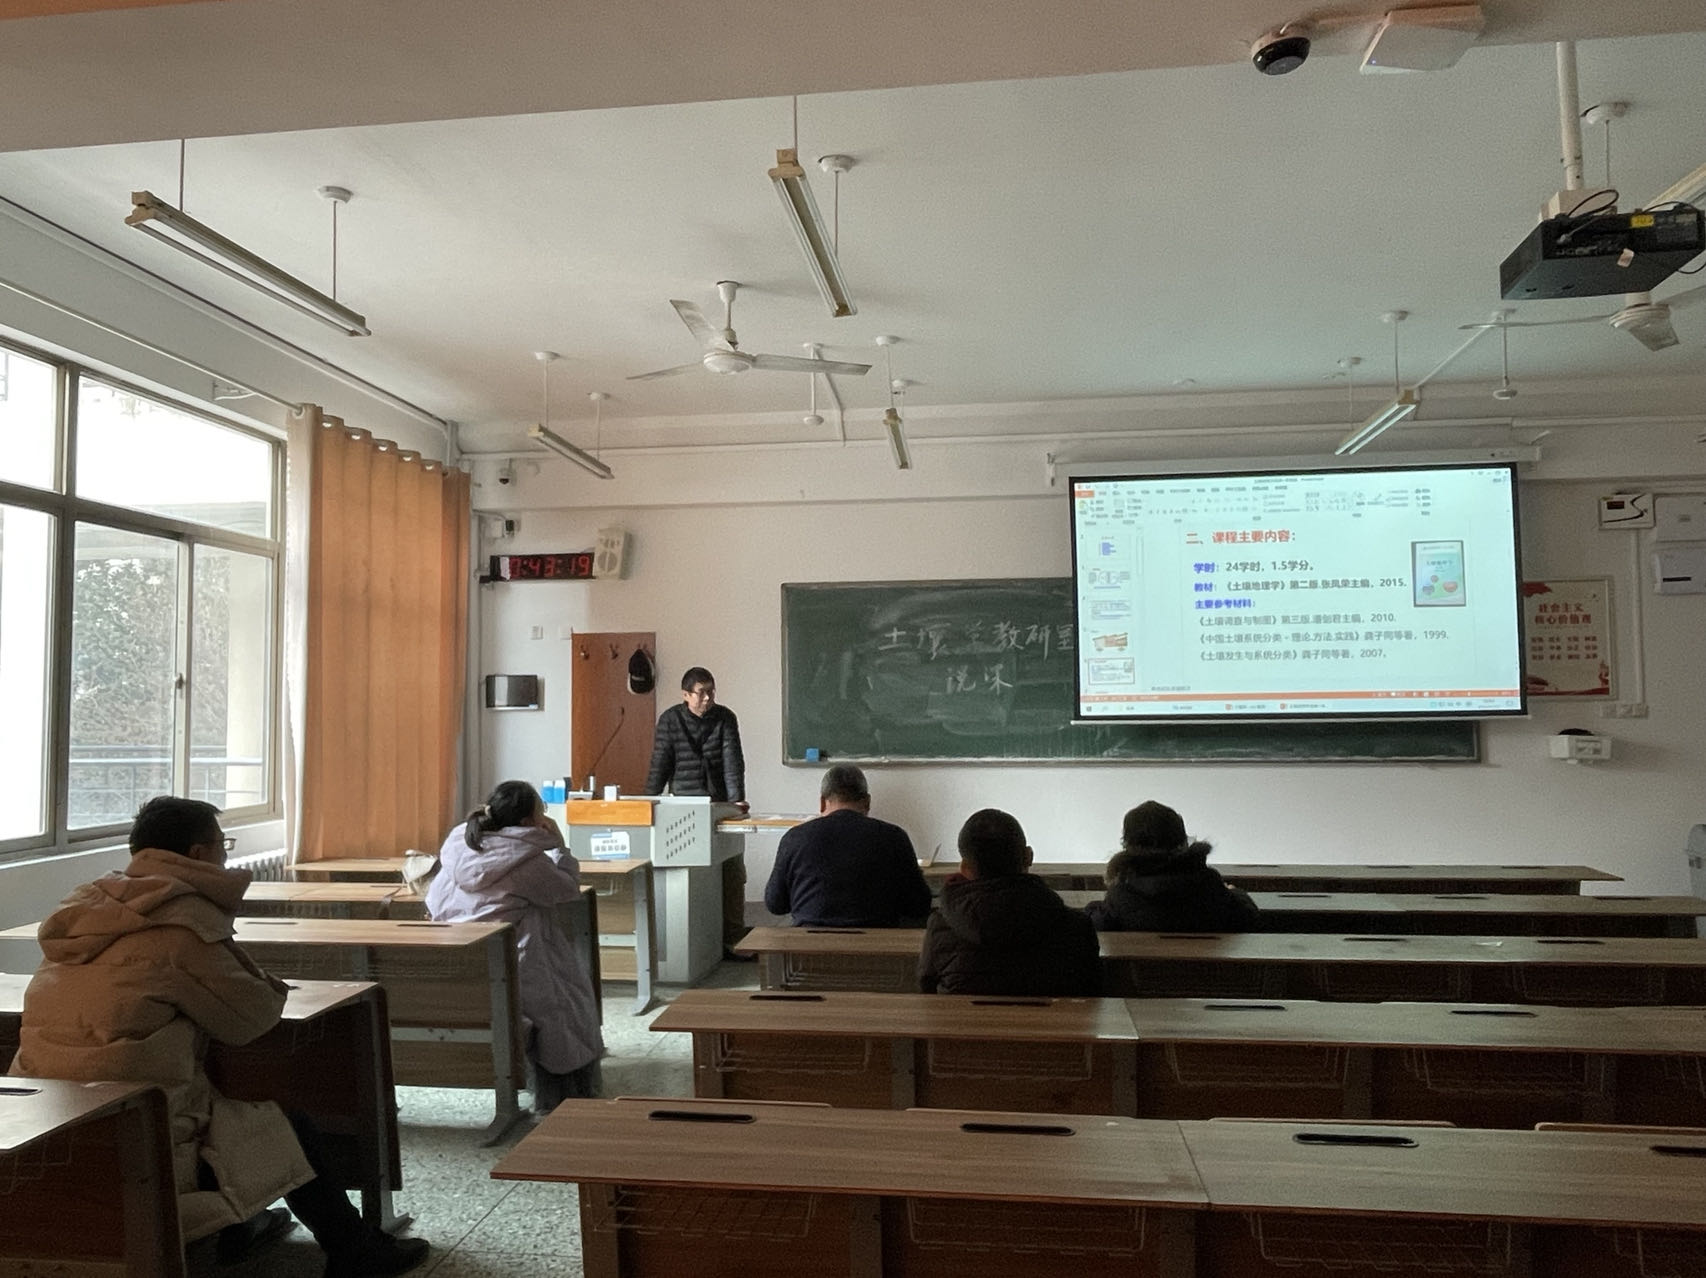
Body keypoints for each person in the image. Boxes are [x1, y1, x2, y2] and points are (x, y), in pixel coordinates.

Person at [9, 797, 429, 1277]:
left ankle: (240, 1228)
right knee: (284, 1118)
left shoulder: (86, 911)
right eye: (222, 846)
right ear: (199, 853)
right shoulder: (182, 921)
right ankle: (354, 1250)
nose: (226, 857)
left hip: (48, 1116)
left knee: (224, 1100)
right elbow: (251, 1018)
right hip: (136, 1124)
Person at [426, 780, 604, 1113]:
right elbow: (566, 890)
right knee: (568, 1000)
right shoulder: (526, 861)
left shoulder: (459, 848)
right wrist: (561, 848)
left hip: (459, 960)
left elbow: (434, 902)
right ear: (527, 822)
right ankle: (560, 1091)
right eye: (541, 811)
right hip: (516, 957)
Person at [917, 808, 1101, 997]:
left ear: (964, 868)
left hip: (963, 1017)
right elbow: (1091, 991)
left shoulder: (941, 926)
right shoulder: (1078, 927)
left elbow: (927, 990)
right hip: (1055, 1017)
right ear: (1028, 856)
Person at [643, 666, 751, 955]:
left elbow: (733, 763)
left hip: (720, 805)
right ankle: (696, 942)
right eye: (701, 693)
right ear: (685, 695)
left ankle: (733, 938)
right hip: (683, 806)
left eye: (711, 692)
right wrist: (646, 801)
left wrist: (737, 802)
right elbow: (660, 764)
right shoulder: (670, 720)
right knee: (690, 875)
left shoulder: (725, 717)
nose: (707, 698)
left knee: (732, 869)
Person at [764, 764, 931, 928]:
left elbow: (775, 905)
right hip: (878, 941)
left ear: (822, 802)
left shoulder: (794, 838)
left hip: (810, 940)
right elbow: (919, 906)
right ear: (867, 802)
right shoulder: (894, 837)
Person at [1083, 800, 1260, 933]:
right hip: (1206, 972)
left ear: (1127, 845)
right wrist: (1236, 893)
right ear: (1182, 841)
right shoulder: (1208, 883)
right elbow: (1247, 918)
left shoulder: (1122, 892)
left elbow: (1096, 923)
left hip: (1143, 972)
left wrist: (1094, 906)